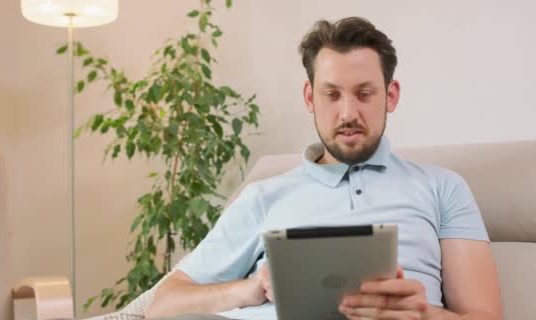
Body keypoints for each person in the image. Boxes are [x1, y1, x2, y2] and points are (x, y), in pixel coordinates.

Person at [146, 17, 502, 320]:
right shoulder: (263, 196)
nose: (348, 114)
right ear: (309, 97)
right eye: (332, 95)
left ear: (391, 96)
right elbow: (164, 303)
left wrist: (424, 314)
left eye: (364, 94)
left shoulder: (443, 187)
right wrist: (253, 288)